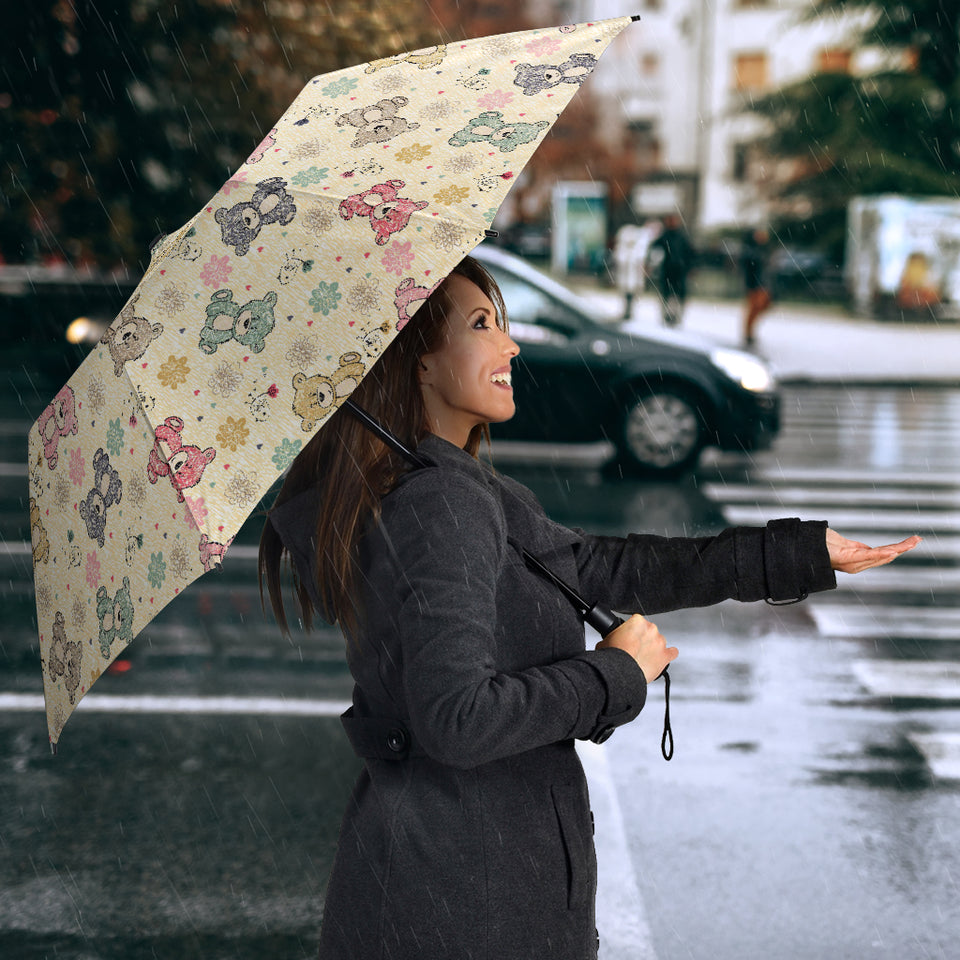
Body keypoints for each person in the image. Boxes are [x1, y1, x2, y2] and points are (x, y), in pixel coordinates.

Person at [259, 256, 919, 960]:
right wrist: (613, 673)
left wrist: (796, 554)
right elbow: (457, 720)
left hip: (453, 883)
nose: (510, 345)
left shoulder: (451, 489)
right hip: (466, 903)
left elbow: (603, 567)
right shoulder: (439, 504)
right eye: (482, 325)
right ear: (417, 363)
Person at [648, 213, 695, 327]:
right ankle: (667, 315)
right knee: (667, 294)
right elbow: (654, 249)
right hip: (668, 270)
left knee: (677, 295)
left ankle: (675, 316)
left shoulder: (681, 237)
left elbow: (690, 253)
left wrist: (690, 267)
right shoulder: (665, 236)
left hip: (679, 271)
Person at [741, 226, 773, 347]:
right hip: (755, 284)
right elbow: (750, 265)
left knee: (762, 306)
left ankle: (750, 331)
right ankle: (748, 333)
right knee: (754, 308)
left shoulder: (763, 249)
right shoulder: (751, 250)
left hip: (763, 283)